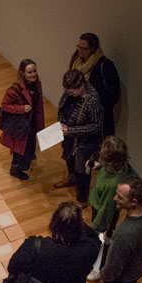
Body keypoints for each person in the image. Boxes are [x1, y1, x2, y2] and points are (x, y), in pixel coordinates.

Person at [85, 136, 132, 282]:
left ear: (110, 160)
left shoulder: (113, 185)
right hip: (100, 207)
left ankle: (98, 268)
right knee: (103, 238)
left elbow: (106, 210)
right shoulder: (118, 167)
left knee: (102, 240)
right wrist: (97, 166)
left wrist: (93, 230)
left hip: (103, 213)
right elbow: (104, 167)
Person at [55, 70, 103, 209]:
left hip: (85, 142)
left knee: (82, 171)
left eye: (73, 91)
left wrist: (71, 130)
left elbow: (96, 127)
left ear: (82, 85)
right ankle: (71, 178)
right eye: (68, 90)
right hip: (70, 137)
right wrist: (62, 123)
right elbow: (62, 107)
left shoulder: (92, 100)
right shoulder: (70, 92)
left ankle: (82, 200)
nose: (70, 93)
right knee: (69, 158)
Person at [0, 59, 45, 180]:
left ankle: (26, 160)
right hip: (20, 125)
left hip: (31, 123)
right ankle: (15, 169)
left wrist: (40, 125)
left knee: (29, 146)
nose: (33, 74)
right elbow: (4, 105)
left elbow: (39, 106)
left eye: (34, 71)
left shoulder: (36, 84)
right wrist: (21, 109)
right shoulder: (15, 89)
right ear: (22, 73)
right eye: (29, 72)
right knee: (19, 150)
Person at [68, 32, 121, 137]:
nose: (79, 50)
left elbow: (114, 94)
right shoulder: (76, 62)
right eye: (78, 46)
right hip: (80, 118)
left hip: (98, 119)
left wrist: (93, 102)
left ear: (93, 49)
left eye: (83, 48)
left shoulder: (105, 66)